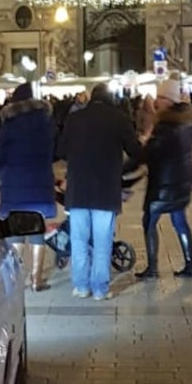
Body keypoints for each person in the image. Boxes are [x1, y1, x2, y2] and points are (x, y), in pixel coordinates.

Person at [57, 82, 141, 300]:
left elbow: (61, 150)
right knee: (103, 240)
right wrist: (122, 169)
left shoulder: (75, 119)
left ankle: (81, 285)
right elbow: (135, 151)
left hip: (78, 190)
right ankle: (100, 289)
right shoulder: (119, 119)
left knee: (79, 240)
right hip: (106, 189)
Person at [0, 82, 58, 291]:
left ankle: (16, 279)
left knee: (17, 233)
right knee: (37, 232)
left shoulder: (9, 124)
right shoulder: (45, 123)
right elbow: (53, 151)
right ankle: (36, 280)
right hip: (39, 183)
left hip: (15, 184)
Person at [134, 79, 192, 280]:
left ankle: (152, 268)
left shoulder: (165, 126)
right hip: (182, 183)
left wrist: (125, 165)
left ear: (170, 100)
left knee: (149, 221)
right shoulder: (187, 122)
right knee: (180, 221)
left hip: (164, 185)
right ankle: (190, 264)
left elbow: (147, 154)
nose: (157, 101)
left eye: (161, 97)